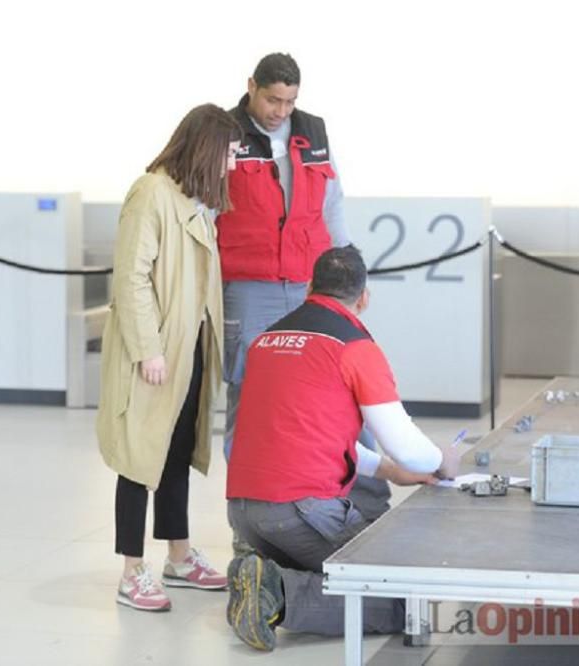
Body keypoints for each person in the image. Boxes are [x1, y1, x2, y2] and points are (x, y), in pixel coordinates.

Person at [223, 246, 459, 650]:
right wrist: (442, 460)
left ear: (310, 287)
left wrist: (386, 471)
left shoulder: (266, 340)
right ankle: (280, 593)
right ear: (364, 297)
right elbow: (406, 445)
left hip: (244, 512)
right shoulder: (355, 346)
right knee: (407, 603)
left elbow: (302, 434)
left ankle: (264, 576)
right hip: (302, 512)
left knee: (338, 574)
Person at [217, 52, 391, 534]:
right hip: (250, 287)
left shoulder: (312, 130)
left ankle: (365, 516)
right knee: (250, 396)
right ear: (251, 86)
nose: (280, 110)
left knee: (341, 392)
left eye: (289, 101)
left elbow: (332, 205)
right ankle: (249, 532)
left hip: (313, 284)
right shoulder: (224, 133)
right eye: (272, 99)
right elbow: (208, 211)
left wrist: (353, 278)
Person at [96, 104, 243, 612]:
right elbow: (132, 276)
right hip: (156, 354)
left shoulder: (195, 200)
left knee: (177, 450)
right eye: (228, 151)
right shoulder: (151, 193)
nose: (233, 163)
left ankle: (179, 556)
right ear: (205, 148)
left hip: (190, 349)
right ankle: (131, 571)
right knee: (140, 454)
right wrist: (148, 349)